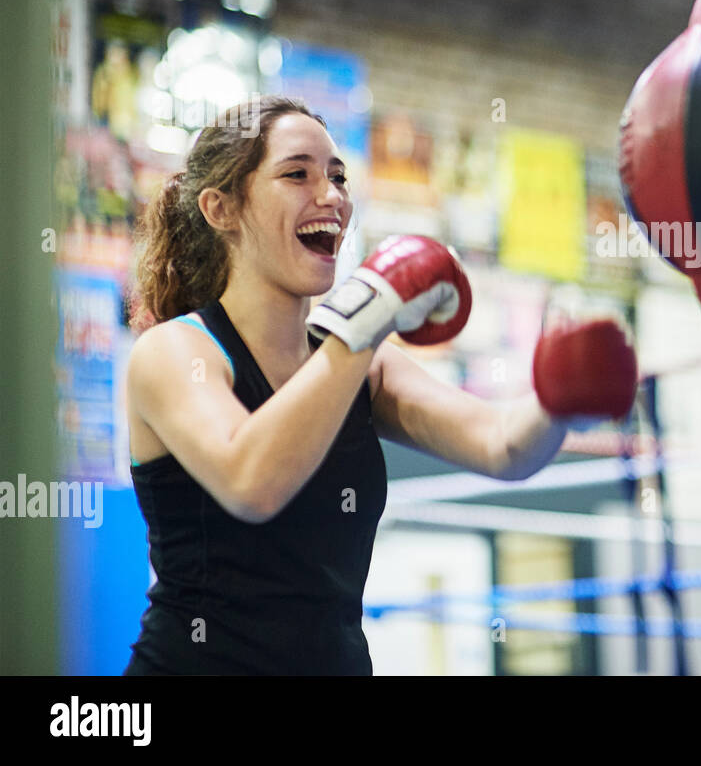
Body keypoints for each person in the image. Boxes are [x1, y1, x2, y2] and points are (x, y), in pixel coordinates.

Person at [124, 96, 635, 675]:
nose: (332, 196)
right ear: (221, 208)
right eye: (297, 174)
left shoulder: (363, 365)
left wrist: (557, 397)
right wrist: (364, 318)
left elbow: (503, 445)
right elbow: (251, 483)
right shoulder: (176, 352)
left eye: (338, 176)